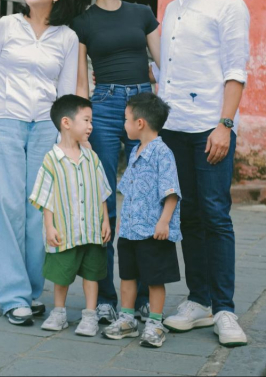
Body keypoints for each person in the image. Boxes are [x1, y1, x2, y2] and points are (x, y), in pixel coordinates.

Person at [156, 0, 250, 347]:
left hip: (209, 130)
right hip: (174, 128)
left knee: (215, 215)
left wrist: (224, 125)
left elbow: (235, 70)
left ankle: (225, 310)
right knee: (187, 217)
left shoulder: (229, 5)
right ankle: (198, 301)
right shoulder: (173, 9)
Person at [0, 0, 79, 326]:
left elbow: (66, 94)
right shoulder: (7, 25)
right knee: (6, 206)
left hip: (44, 128)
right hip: (4, 120)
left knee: (38, 210)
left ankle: (33, 292)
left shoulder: (67, 37)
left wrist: (67, 137)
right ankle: (12, 295)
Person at [71, 0, 161, 324]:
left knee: (145, 201)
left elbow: (164, 64)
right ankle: (106, 296)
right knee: (104, 203)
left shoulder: (142, 14)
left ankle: (140, 296)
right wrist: (82, 122)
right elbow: (80, 77)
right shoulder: (84, 22)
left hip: (142, 105)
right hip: (105, 107)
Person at [29, 95, 112, 337]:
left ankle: (89, 315)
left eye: (91, 121)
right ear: (66, 122)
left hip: (92, 230)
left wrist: (105, 220)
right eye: (86, 120)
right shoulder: (52, 159)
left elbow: (102, 191)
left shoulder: (91, 158)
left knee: (92, 273)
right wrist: (49, 226)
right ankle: (59, 312)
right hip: (65, 230)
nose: (90, 126)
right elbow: (46, 196)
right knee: (61, 273)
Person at [103, 92, 181, 349]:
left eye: (126, 119)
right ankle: (127, 318)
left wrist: (164, 222)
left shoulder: (163, 153)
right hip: (130, 230)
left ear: (140, 123)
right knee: (128, 275)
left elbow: (171, 192)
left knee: (154, 277)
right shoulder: (136, 150)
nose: (123, 124)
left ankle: (155, 323)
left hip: (152, 230)